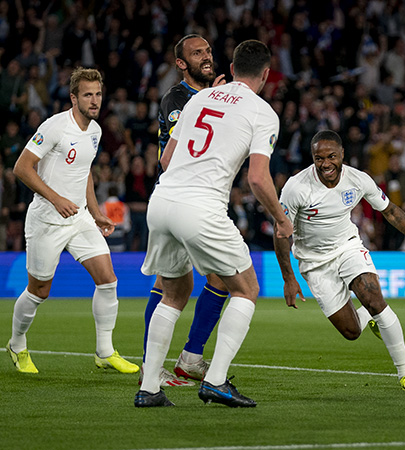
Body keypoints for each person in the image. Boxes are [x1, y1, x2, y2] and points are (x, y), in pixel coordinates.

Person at [135, 40, 292, 408]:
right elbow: (258, 178)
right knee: (246, 288)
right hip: (201, 207)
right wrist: (281, 219)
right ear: (265, 75)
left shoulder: (200, 98)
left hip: (162, 201)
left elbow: (167, 158)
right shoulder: (263, 112)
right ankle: (216, 381)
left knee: (174, 293)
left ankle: (149, 388)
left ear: (232, 68)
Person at [274, 130, 405, 391]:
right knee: (351, 332)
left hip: (348, 247)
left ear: (342, 154)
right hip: (314, 262)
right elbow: (281, 233)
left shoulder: (358, 179)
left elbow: (391, 211)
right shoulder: (296, 187)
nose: (325, 164)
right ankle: (367, 316)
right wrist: (289, 278)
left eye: (331, 156)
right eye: (319, 158)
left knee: (374, 298)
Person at [7, 67, 138, 375]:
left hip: (79, 218)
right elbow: (22, 167)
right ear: (74, 98)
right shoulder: (55, 126)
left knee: (108, 280)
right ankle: (16, 343)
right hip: (47, 220)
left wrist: (95, 211)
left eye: (98, 94)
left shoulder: (96, 131)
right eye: (88, 95)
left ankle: (104, 352)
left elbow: (84, 171)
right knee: (39, 291)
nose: (95, 100)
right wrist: (56, 199)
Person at [142, 34, 228, 388]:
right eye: (196, 53)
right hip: (182, 198)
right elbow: (172, 157)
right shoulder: (176, 99)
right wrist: (214, 101)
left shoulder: (216, 96)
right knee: (215, 277)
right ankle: (180, 360)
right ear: (181, 63)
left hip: (201, 197)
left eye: (207, 51)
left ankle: (175, 361)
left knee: (180, 282)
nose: (206, 57)